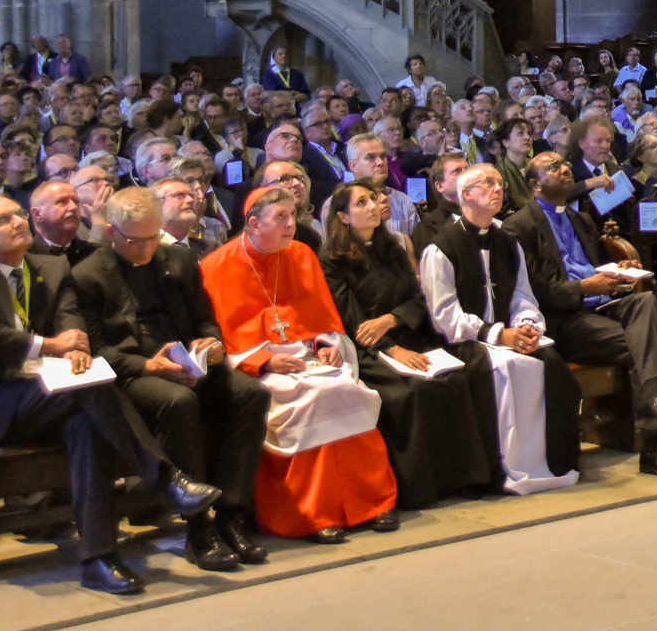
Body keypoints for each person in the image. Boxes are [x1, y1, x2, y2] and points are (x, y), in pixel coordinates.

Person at [0, 194, 224, 593]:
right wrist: (49, 345)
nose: (18, 221)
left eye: (17, 214)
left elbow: (72, 322)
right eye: (2, 220)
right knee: (93, 387)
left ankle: (99, 560)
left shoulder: (50, 266)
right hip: (8, 399)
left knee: (87, 427)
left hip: (64, 389)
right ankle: (166, 480)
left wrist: (74, 348)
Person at [71, 188, 271, 568]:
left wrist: (211, 343)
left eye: (153, 236)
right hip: (134, 370)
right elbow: (98, 351)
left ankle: (230, 514)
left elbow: (205, 319)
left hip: (187, 360)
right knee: (178, 402)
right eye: (136, 240)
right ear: (112, 233)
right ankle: (198, 529)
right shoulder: (88, 275)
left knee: (251, 394)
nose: (147, 248)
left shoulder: (177, 258)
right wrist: (148, 365)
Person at [198, 186, 399, 542]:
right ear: (254, 223)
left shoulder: (302, 254)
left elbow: (321, 316)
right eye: (281, 217)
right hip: (259, 365)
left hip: (305, 355)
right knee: (303, 398)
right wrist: (266, 361)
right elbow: (223, 336)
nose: (292, 224)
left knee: (344, 389)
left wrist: (325, 343)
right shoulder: (216, 266)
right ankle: (311, 514)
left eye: (293, 215)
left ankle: (370, 502)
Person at [505, 153, 657, 477]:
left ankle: (654, 421)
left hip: (601, 306)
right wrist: (584, 287)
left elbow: (595, 268)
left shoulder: (581, 219)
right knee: (646, 344)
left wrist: (619, 270)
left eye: (565, 164)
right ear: (535, 184)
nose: (565, 169)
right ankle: (655, 443)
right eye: (553, 168)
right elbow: (533, 292)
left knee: (646, 302)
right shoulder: (519, 227)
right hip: (562, 320)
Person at [319, 183, 502, 509]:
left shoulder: (394, 247)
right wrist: (391, 348)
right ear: (343, 216)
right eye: (362, 203)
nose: (374, 206)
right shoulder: (332, 260)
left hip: (406, 333)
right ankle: (419, 489)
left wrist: (392, 319)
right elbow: (352, 320)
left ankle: (463, 479)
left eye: (373, 199)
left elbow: (418, 301)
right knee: (408, 393)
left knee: (455, 378)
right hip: (369, 349)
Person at [416, 165, 579, 494]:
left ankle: (551, 463)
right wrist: (497, 334)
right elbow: (444, 317)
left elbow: (522, 295)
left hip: (507, 334)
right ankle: (504, 467)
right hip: (463, 341)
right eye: (487, 184)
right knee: (504, 368)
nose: (498, 189)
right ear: (466, 195)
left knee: (554, 367)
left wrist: (527, 326)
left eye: (500, 184)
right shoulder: (441, 249)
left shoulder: (508, 242)